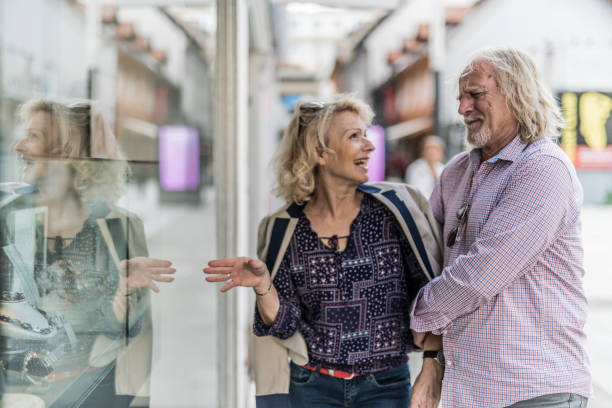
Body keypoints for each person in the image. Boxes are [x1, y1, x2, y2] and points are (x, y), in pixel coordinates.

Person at [204, 95, 444, 408]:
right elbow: (285, 324)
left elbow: (434, 292)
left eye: (365, 134)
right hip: (312, 386)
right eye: (354, 136)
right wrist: (264, 287)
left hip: (385, 385)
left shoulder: (394, 212)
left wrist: (431, 363)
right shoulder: (283, 228)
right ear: (320, 152)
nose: (369, 146)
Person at [410, 47, 592, 408]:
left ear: (517, 95)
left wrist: (418, 314)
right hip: (468, 389)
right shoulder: (456, 172)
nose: (463, 108)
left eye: (475, 94)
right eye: (461, 97)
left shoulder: (543, 167)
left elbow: (479, 275)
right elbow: (426, 260)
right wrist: (431, 359)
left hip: (535, 388)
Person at [5, 98, 176, 407]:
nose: (18, 145)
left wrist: (123, 297)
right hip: (23, 394)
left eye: (33, 136)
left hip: (97, 391)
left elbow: (136, 336)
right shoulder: (12, 221)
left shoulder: (119, 227)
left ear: (66, 152)